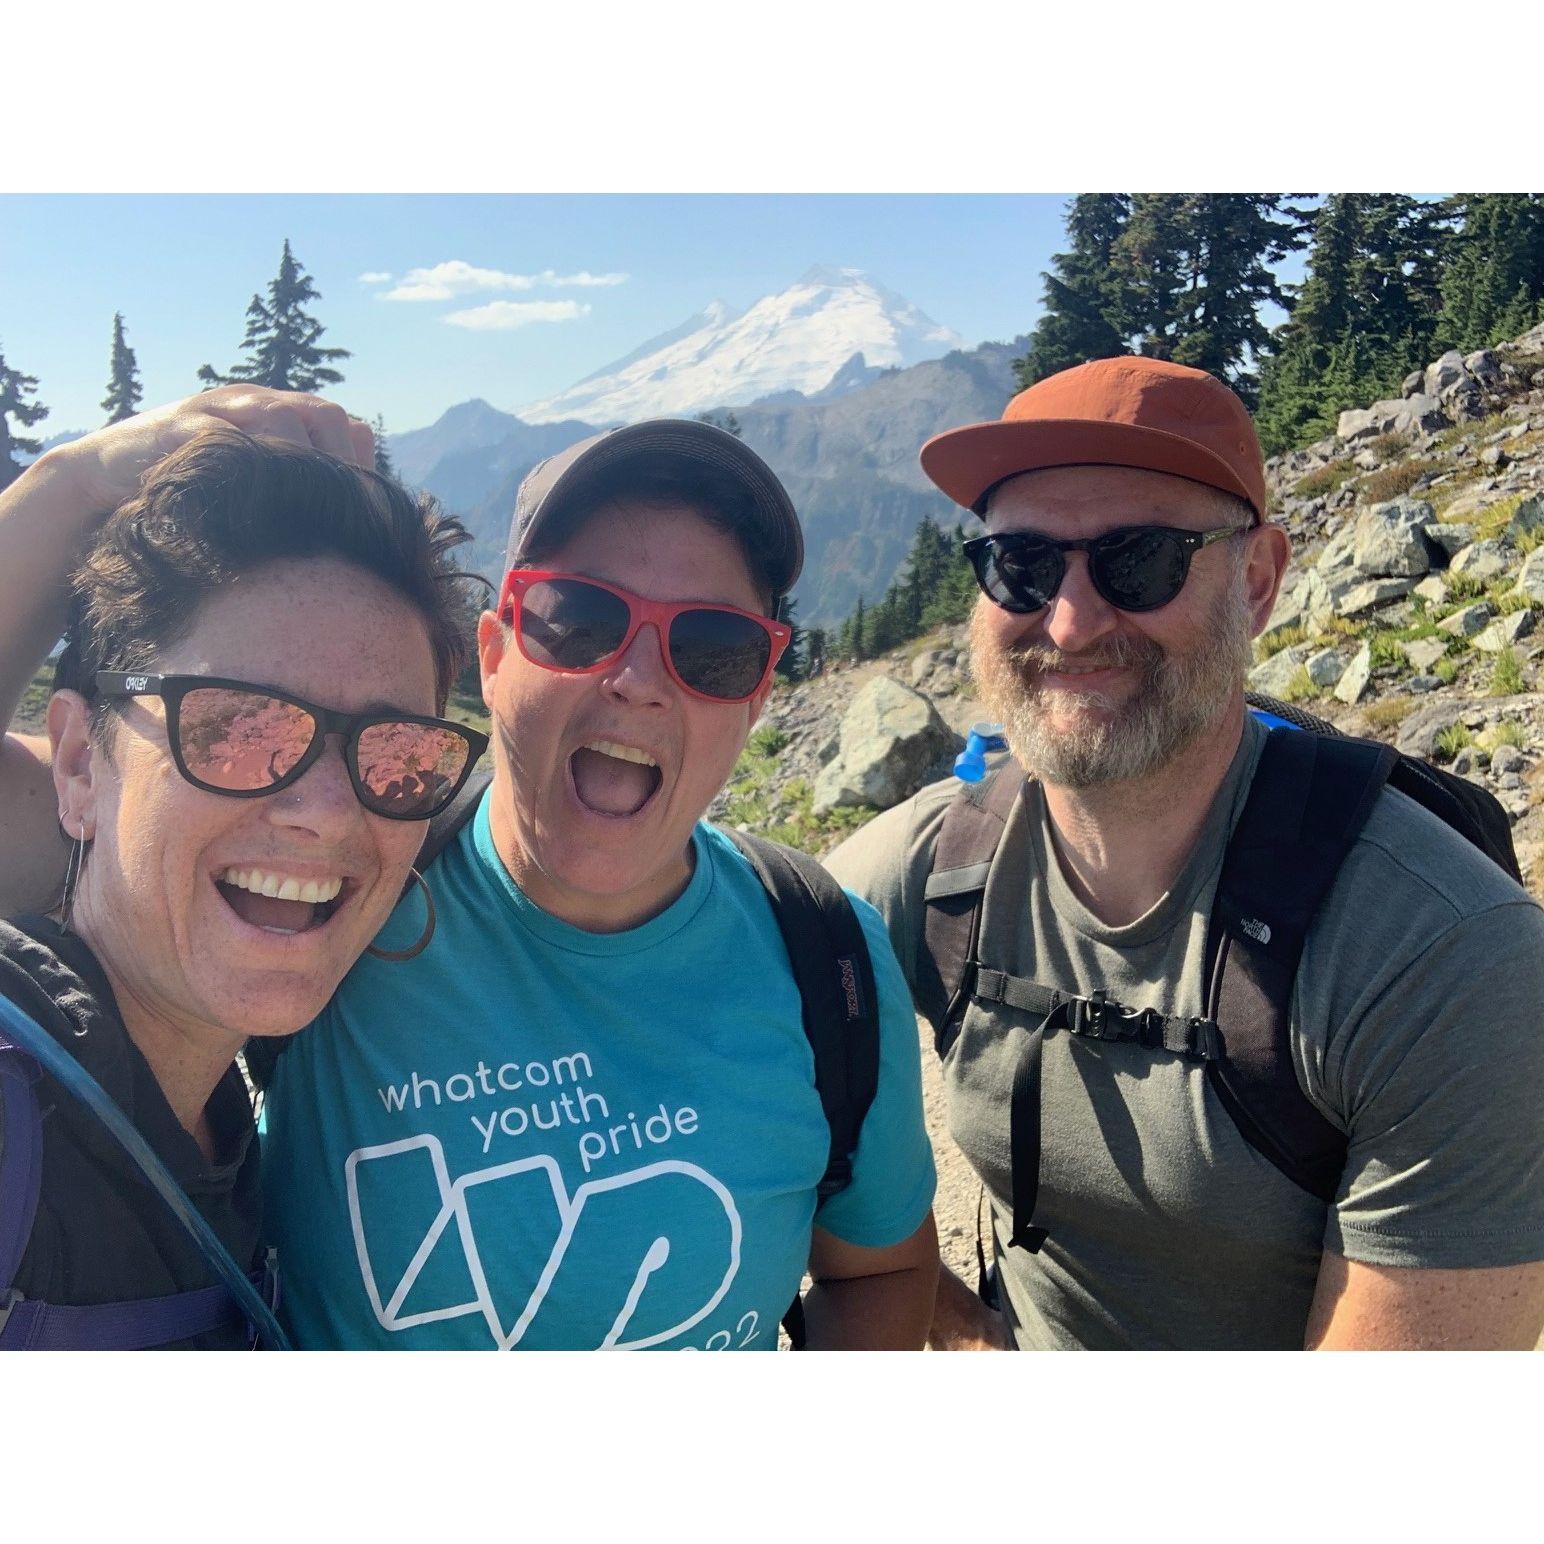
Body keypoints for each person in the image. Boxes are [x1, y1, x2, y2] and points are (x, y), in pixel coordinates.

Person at [2, 394, 938, 1351]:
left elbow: (886, 1269)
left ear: (756, 699)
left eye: (714, 650)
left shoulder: (824, 954)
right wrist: (69, 485)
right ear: (492, 659)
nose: (640, 679)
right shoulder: (364, 888)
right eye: (578, 622)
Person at [827, 355, 1544, 1351]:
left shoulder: (1442, 956)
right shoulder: (935, 866)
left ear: (1255, 582)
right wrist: (957, 1332)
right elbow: (730, 1010)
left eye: (1140, 560)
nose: (1070, 621)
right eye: (1021, 564)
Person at [0, 407, 487, 1347]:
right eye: (236, 727)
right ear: (77, 768)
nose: (329, 812)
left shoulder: (235, 1124)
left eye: (395, 754)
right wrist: (68, 483)